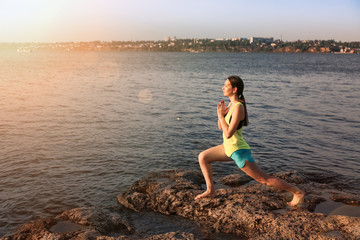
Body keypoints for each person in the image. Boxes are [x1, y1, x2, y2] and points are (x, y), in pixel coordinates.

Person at [195, 75, 305, 207]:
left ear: (234, 89)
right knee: (203, 157)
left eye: (226, 85)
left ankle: (297, 192)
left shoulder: (238, 108)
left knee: (264, 180)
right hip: (228, 147)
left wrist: (220, 115)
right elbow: (221, 127)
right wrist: (222, 115)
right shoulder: (231, 105)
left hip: (238, 150)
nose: (222, 87)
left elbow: (229, 133)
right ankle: (211, 190)